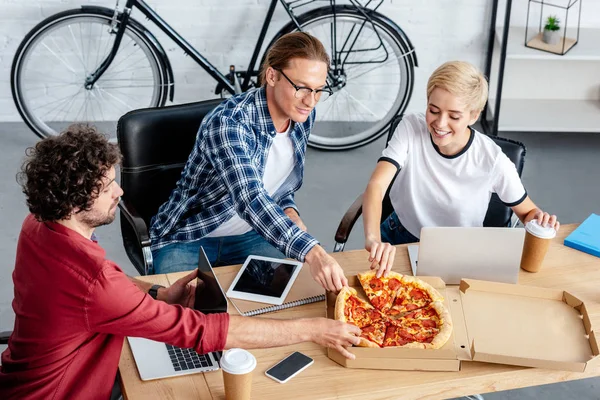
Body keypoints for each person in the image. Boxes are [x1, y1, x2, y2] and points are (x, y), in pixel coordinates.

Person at [0, 126, 361, 400]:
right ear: (77, 200)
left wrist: (156, 295)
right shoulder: (95, 282)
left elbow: (94, 294)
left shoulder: (39, 224)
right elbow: (210, 333)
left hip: (24, 378)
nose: (120, 191)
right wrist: (315, 330)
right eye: (109, 185)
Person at [150, 32, 347, 292]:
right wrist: (313, 250)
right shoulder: (229, 123)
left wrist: (289, 209)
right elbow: (249, 198)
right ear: (272, 76)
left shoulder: (301, 115)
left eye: (319, 90)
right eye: (301, 88)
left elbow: (279, 183)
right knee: (183, 314)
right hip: (191, 236)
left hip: (251, 234)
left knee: (286, 299)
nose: (310, 101)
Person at [362, 61, 560, 277]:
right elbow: (377, 184)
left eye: (454, 116)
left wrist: (540, 219)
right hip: (399, 237)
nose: (440, 123)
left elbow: (528, 211)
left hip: (458, 251)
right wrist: (373, 238)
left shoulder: (493, 159)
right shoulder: (410, 127)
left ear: (473, 116)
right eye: (433, 110)